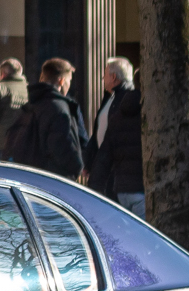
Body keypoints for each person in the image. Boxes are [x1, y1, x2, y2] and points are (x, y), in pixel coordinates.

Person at [8, 58, 88, 179]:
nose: (69, 84)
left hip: (32, 176)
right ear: (61, 81)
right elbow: (62, 145)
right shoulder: (58, 108)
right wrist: (77, 166)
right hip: (54, 179)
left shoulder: (33, 104)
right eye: (69, 80)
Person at [87, 56, 144, 217]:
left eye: (104, 75)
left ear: (113, 77)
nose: (102, 79)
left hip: (120, 185)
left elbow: (106, 149)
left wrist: (95, 184)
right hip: (136, 186)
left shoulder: (119, 109)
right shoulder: (115, 102)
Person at [0, 57, 30, 159]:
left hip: (0, 142)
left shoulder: (0, 88)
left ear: (3, 73)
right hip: (21, 140)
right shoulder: (27, 89)